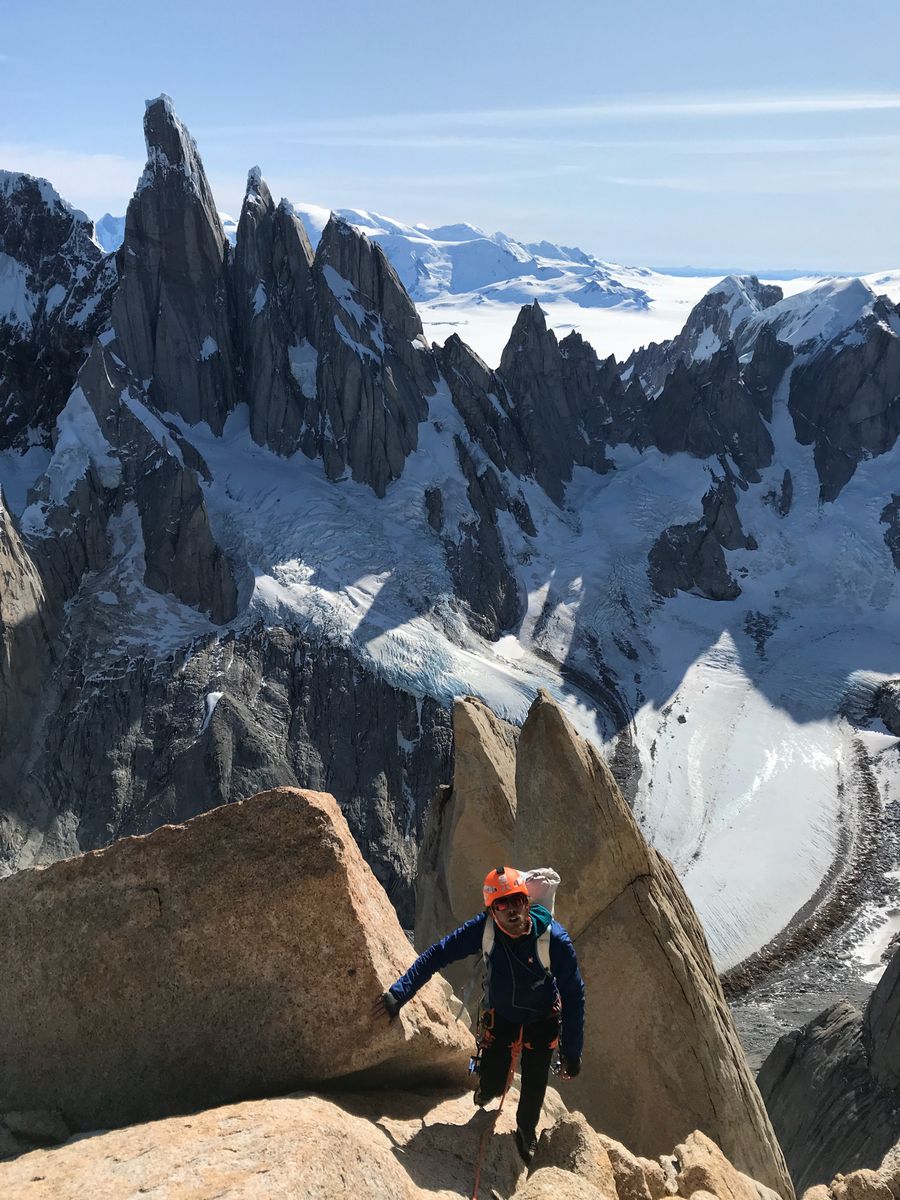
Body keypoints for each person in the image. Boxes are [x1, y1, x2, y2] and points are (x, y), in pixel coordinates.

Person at [372, 866, 585, 1164]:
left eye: (517, 901)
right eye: (502, 904)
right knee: (493, 1083)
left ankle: (526, 1132)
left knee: (535, 1086)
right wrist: (399, 994)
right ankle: (488, 1088)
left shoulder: (554, 939)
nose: (511, 910)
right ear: (491, 910)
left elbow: (574, 996)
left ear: (527, 902)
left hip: (542, 1020)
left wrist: (572, 1053)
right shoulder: (483, 930)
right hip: (503, 1016)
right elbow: (438, 954)